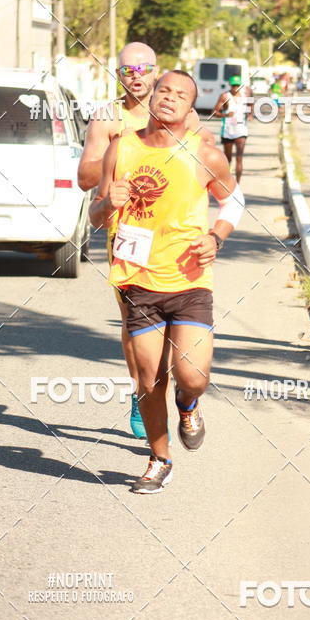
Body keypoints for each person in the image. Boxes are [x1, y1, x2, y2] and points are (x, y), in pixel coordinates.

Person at [89, 70, 245, 493]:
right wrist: (107, 205)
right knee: (148, 380)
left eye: (181, 95)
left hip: (189, 278)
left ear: (190, 108)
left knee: (191, 376)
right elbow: (95, 212)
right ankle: (159, 459)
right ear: (153, 96)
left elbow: (233, 200)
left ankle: (189, 405)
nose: (170, 99)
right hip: (137, 280)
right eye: (164, 91)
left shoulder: (204, 154)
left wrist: (217, 236)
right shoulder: (121, 148)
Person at [77, 42, 213, 439]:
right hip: (128, 236)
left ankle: (183, 393)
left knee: (178, 329)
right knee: (135, 323)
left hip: (176, 240)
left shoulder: (181, 115)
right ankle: (145, 393)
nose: (135, 75)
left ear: (157, 72)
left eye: (143, 68)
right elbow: (86, 178)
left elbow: (206, 169)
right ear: (117, 75)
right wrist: (117, 154)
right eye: (126, 70)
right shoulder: (107, 118)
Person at [211, 74, 250, 182]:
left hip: (241, 131)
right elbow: (214, 112)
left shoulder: (245, 95)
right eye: (233, 85)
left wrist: (250, 115)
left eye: (237, 85)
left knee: (239, 158)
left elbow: (251, 105)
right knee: (228, 159)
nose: (235, 88)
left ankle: (237, 184)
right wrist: (226, 115)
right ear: (230, 85)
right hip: (228, 131)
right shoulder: (225, 96)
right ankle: (228, 182)